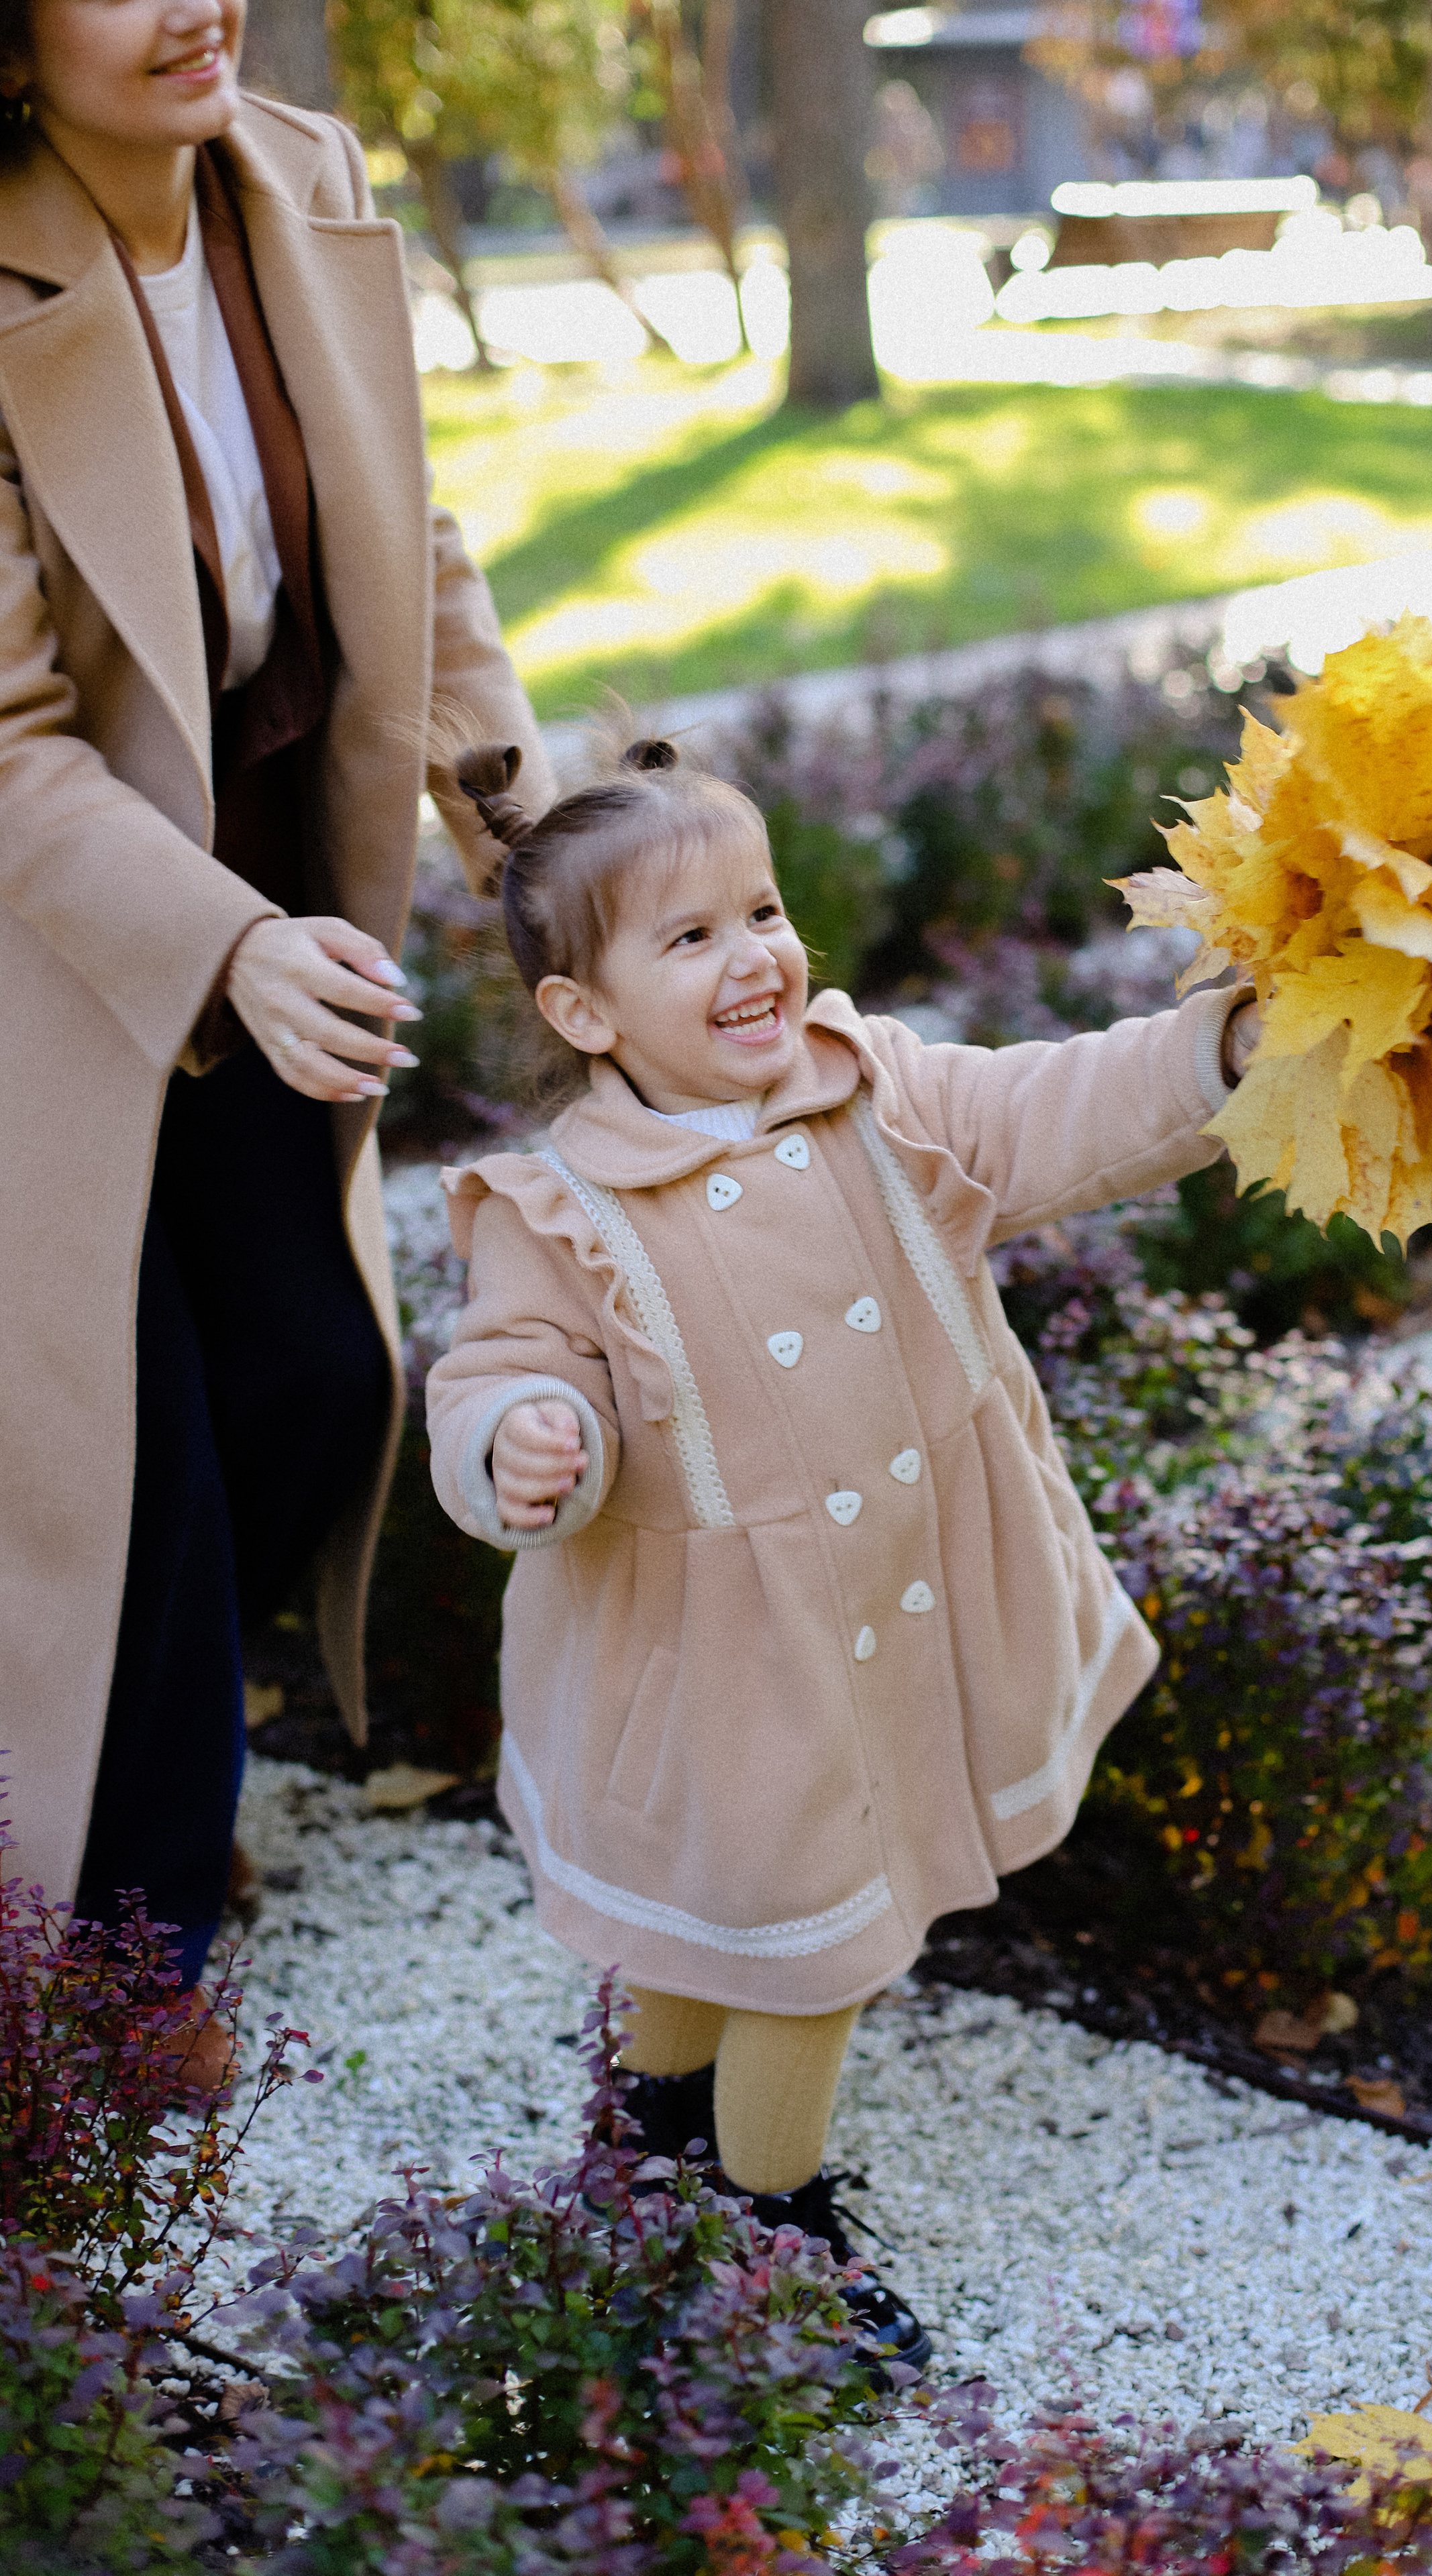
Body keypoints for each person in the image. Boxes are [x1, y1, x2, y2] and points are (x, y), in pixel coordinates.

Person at [425, 727, 1261, 2369]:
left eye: (761, 910)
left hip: (893, 1606)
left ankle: (653, 2126)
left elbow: (1061, 1102)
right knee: (803, 1951)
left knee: (751, 1914)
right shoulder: (564, 1210)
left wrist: (1221, 1053)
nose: (753, 957)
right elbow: (503, 1372)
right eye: (690, 938)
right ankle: (765, 2226)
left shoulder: (877, 1091)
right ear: (584, 1017)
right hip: (724, 1667)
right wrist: (525, 1444)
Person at [0, 0, 554, 2084]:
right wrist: (226, 946)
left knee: (314, 1372)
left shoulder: (302, 181)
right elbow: (9, 739)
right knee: (106, 1448)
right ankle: (116, 1969)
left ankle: (125, 1768)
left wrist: (528, 825)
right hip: (48, 941)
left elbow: (413, 539)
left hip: (258, 886)